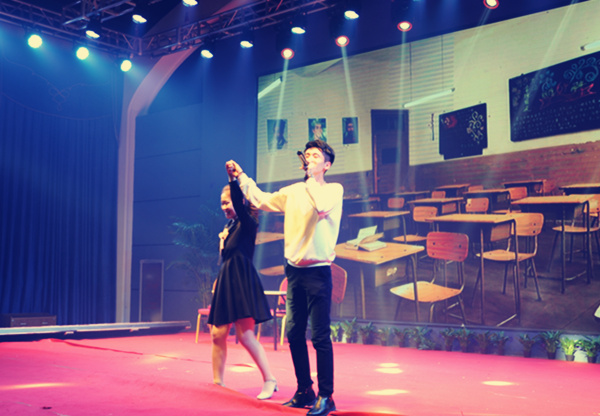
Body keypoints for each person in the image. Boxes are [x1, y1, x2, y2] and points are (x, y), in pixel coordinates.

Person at [226, 139, 343, 416]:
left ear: (327, 165)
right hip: (294, 271)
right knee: (293, 332)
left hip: (318, 271)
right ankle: (304, 390)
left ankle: (326, 396)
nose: (310, 158)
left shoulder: (333, 190)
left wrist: (311, 179)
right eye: (308, 154)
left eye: (316, 156)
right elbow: (261, 199)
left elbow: (321, 208)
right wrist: (241, 176)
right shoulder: (294, 191)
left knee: (320, 336)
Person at [207, 175, 278, 400]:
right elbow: (225, 258)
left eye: (227, 202)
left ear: (241, 202)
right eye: (222, 203)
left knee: (245, 336)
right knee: (217, 334)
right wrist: (222, 242)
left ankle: (270, 379)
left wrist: (233, 180)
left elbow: (238, 203)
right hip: (226, 278)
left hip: (242, 280)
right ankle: (218, 382)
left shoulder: (249, 222)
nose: (224, 207)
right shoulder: (229, 226)